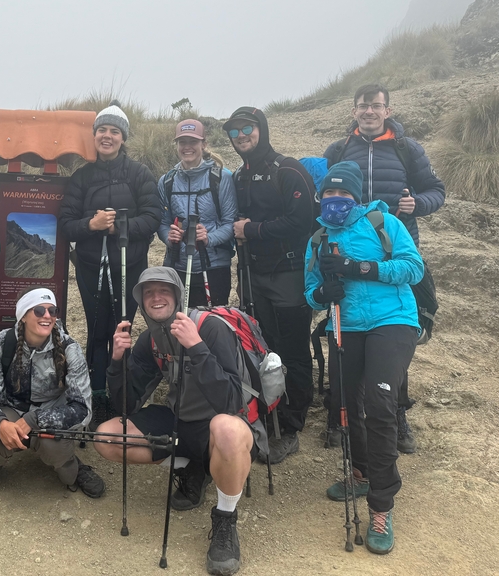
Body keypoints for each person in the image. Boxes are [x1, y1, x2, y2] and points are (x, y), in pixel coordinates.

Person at [93, 267, 261, 576]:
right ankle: (193, 468)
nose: (156, 297)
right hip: (178, 420)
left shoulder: (210, 328)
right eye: (148, 292)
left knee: (226, 428)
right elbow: (126, 404)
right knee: (107, 436)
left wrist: (196, 347)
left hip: (219, 425)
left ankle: (225, 519)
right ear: (141, 302)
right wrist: (116, 362)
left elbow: (231, 401)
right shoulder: (149, 340)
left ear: (178, 295)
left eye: (164, 290)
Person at [305, 161, 423, 555]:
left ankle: (381, 504)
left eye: (343, 194)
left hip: (393, 321)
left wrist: (360, 268)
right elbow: (309, 292)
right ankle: (361, 472)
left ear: (355, 196)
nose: (335, 200)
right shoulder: (318, 238)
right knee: (344, 404)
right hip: (347, 325)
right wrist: (324, 294)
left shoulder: (383, 223)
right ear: (321, 197)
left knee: (379, 403)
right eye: (329, 194)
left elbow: (413, 267)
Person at [323, 83, 445, 454]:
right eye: (363, 106)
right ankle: (340, 416)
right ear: (355, 110)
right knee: (348, 333)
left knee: (392, 335)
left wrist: (416, 205)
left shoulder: (408, 150)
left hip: (396, 247)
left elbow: (436, 190)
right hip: (344, 251)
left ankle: (396, 413)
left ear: (387, 110)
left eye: (376, 106)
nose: (370, 112)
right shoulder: (339, 150)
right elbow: (326, 192)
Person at [59, 102, 163, 424]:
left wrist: (120, 228)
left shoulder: (139, 174)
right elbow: (66, 223)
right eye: (102, 130)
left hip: (129, 267)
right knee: (96, 331)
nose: (107, 136)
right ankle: (96, 395)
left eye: (114, 131)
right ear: (95, 135)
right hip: (91, 268)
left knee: (122, 329)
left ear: (123, 138)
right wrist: (91, 225)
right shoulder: (81, 177)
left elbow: (153, 218)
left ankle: (121, 397)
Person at [225, 106, 316, 464]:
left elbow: (302, 221)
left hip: (289, 275)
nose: (242, 136)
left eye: (247, 128)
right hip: (253, 275)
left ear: (261, 129)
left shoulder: (288, 169)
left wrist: (252, 230)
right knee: (262, 346)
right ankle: (268, 411)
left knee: (292, 347)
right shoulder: (239, 176)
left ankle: (292, 425)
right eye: (234, 132)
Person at [0, 288, 105, 496]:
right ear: (23, 316)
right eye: (39, 310)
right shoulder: (2, 342)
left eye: (53, 310)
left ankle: (72, 463)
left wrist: (36, 419)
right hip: (11, 408)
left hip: (51, 412)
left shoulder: (71, 349)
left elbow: (82, 409)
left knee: (58, 453)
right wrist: (0, 423)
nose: (47, 316)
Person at [158, 119, 237, 307]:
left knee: (213, 323)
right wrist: (169, 237)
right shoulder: (166, 181)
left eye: (193, 142)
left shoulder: (221, 178)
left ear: (204, 144)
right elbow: (162, 222)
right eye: (182, 142)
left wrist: (210, 237)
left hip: (214, 265)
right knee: (179, 324)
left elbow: (230, 223)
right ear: (176, 145)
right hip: (177, 265)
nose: (187, 147)